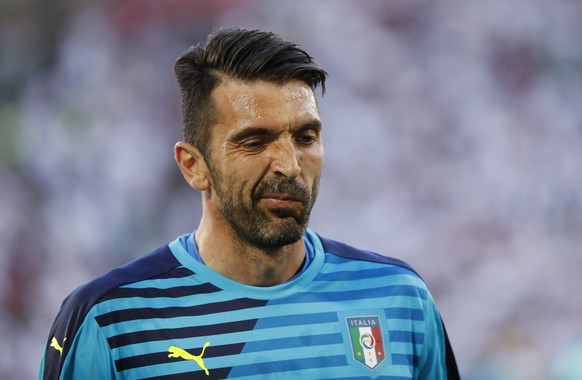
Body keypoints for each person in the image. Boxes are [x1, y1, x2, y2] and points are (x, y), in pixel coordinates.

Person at [39, 27, 460, 379]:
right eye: (255, 141)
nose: (290, 166)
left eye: (306, 137)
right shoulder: (111, 320)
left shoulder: (399, 298)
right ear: (193, 166)